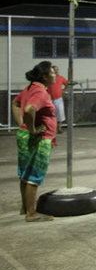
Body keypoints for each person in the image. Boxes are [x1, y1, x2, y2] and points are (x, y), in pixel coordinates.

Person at [11, 61, 58, 222]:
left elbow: (16, 103)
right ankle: (32, 213)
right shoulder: (40, 92)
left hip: (24, 135)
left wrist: (22, 124)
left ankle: (25, 207)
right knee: (34, 175)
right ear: (45, 77)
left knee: (25, 173)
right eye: (53, 72)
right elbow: (29, 109)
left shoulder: (30, 88)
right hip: (39, 139)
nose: (55, 75)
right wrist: (32, 129)